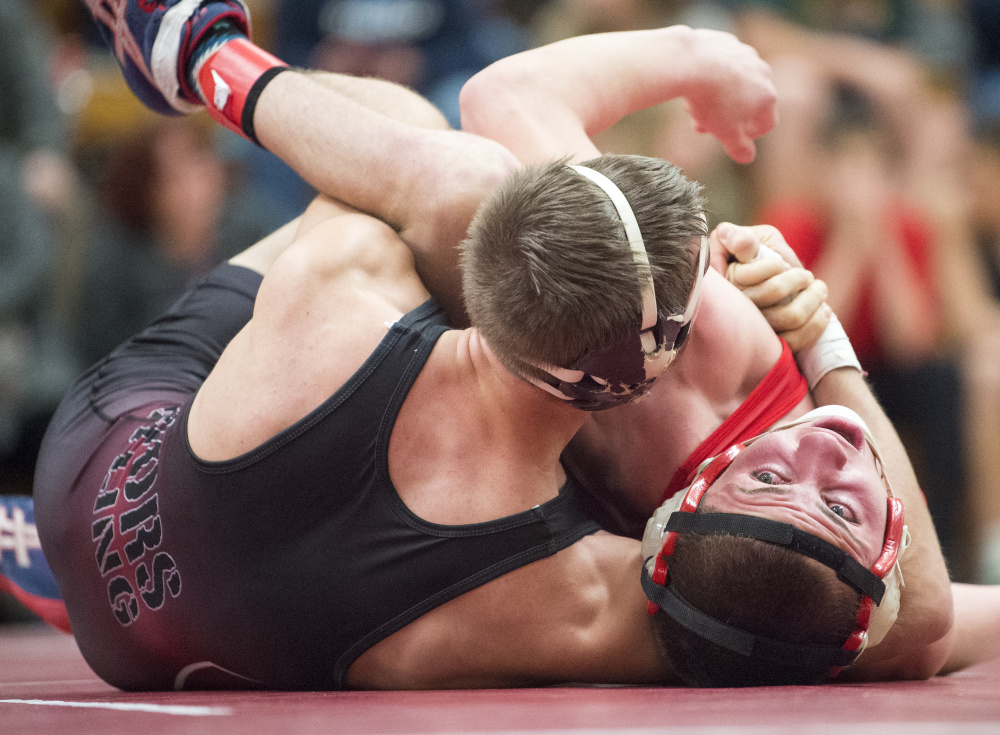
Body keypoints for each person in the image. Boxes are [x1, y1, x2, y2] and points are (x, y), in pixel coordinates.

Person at [29, 0, 955, 691]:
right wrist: (824, 345)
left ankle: (202, 59)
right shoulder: (582, 599)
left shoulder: (347, 285)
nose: (818, 454)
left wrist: (691, 53)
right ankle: (205, 62)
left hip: (96, 473)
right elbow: (921, 622)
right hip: (141, 641)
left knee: (432, 153)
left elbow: (473, 134)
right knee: (449, 170)